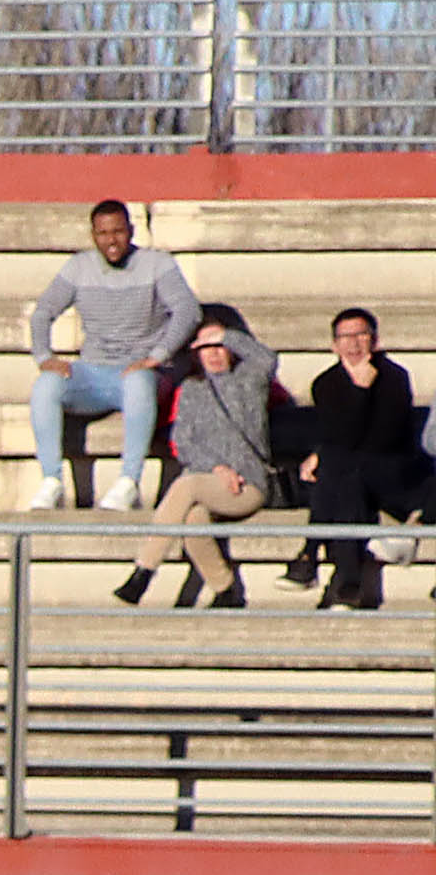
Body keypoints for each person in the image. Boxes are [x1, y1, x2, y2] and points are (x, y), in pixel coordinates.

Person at [27, 199, 198, 513]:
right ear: (93, 235)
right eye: (103, 233)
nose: (111, 240)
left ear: (130, 231)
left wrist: (158, 355)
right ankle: (51, 481)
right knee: (46, 386)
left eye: (118, 231)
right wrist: (44, 357)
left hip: (143, 374)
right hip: (94, 372)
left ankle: (128, 482)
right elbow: (42, 313)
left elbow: (188, 311)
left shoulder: (157, 264)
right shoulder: (79, 267)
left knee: (137, 382)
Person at [114, 313, 275, 609]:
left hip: (248, 484)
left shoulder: (250, 380)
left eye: (218, 345)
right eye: (204, 346)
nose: (212, 353)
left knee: (185, 485)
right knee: (192, 519)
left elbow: (267, 358)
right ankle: (225, 589)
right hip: (211, 480)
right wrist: (217, 468)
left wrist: (224, 335)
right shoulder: (191, 390)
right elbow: (184, 442)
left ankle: (144, 570)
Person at [294, 309, 424, 611]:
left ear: (374, 340)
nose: (353, 344)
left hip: (392, 474)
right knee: (346, 477)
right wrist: (357, 392)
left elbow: (382, 439)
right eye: (345, 337)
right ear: (334, 345)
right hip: (349, 478)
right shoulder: (326, 383)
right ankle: (347, 582)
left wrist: (362, 391)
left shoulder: (393, 378)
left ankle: (310, 554)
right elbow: (338, 436)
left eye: (360, 335)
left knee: (342, 467)